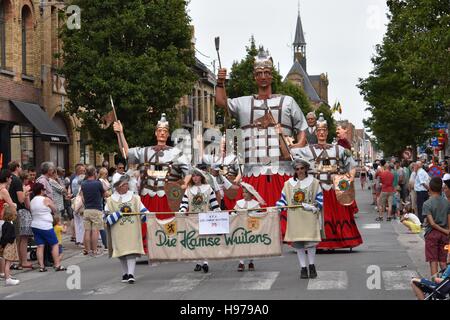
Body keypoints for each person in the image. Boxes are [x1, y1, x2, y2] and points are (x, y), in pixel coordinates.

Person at [215, 48, 308, 239]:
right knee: (252, 221)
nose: (263, 77)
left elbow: (302, 129)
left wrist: (298, 145)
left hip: (282, 170)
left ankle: (290, 235)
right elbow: (221, 102)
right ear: (254, 77)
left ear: (272, 76)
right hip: (253, 172)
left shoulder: (288, 102)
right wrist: (220, 82)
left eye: (266, 73)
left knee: (288, 216)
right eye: (259, 74)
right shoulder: (243, 103)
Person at [113, 113, 191, 255]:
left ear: (168, 135)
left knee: (169, 223)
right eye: (160, 131)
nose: (162, 133)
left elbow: (188, 170)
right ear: (155, 133)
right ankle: (148, 248)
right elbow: (125, 153)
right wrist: (120, 133)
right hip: (147, 195)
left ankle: (170, 247)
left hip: (167, 196)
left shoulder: (177, 153)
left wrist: (184, 184)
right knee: (148, 224)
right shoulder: (144, 151)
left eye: (165, 131)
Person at [292, 114, 362, 250]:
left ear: (327, 132)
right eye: (319, 130)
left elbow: (352, 166)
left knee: (336, 218)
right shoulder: (306, 150)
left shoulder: (339, 150)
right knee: (317, 217)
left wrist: (349, 177)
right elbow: (293, 157)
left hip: (334, 190)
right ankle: (315, 242)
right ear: (316, 132)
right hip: (316, 190)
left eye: (324, 130)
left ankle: (339, 241)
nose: (322, 133)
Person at [276, 158, 323, 279]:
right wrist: (277, 209)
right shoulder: (288, 184)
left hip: (309, 216)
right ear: (295, 170)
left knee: (311, 243)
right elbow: (282, 200)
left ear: (306, 169)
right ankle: (303, 267)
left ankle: (312, 266)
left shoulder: (314, 183)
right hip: (295, 218)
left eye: (302, 168)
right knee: (298, 244)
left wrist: (315, 205)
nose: (300, 171)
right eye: (297, 169)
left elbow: (320, 199)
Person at [104, 175, 148, 284]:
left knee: (131, 252)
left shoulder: (135, 198)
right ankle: (125, 273)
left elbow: (144, 211)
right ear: (118, 187)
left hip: (132, 230)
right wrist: (118, 214)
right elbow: (106, 219)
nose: (126, 186)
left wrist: (146, 216)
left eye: (127, 184)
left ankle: (131, 274)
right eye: (123, 185)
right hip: (118, 232)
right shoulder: (110, 201)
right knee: (122, 253)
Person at [179, 169, 221, 273]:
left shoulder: (208, 188)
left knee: (204, 240)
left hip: (205, 218)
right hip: (193, 218)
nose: (195, 178)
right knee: (195, 240)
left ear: (201, 177)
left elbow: (214, 203)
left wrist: (219, 213)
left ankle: (205, 262)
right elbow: (184, 203)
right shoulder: (189, 189)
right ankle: (198, 262)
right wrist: (182, 210)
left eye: (197, 176)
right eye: (193, 176)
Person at [29, 183, 66, 272]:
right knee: (54, 244)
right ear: (41, 190)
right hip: (45, 225)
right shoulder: (46, 199)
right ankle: (57, 264)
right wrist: (50, 205)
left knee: (40, 246)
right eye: (44, 190)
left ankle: (42, 266)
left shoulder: (32, 200)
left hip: (35, 225)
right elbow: (55, 209)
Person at [233, 182, 266, 271]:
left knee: (251, 245)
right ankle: (241, 263)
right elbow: (233, 213)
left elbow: (259, 216)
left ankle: (251, 262)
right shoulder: (239, 203)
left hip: (251, 227)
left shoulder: (256, 204)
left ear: (251, 194)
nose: (244, 194)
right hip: (240, 227)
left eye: (246, 192)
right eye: (243, 192)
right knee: (241, 244)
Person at [422, 177, 450, 277]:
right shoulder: (447, 203)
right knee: (443, 261)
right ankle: (446, 283)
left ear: (430, 188)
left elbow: (432, 223)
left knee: (433, 261)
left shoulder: (427, 204)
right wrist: (447, 231)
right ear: (441, 189)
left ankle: (435, 285)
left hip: (432, 234)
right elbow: (448, 220)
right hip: (444, 235)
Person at [7, 161, 32, 270]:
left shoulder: (9, 179)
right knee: (20, 237)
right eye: (20, 167)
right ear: (17, 168)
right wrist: (26, 192)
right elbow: (21, 199)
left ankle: (15, 261)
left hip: (8, 210)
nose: (21, 169)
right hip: (17, 210)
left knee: (15, 237)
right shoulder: (17, 180)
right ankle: (21, 261)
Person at [80, 166, 105, 256]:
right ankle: (94, 250)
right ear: (94, 173)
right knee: (95, 231)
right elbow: (103, 194)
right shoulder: (97, 183)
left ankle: (88, 249)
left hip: (87, 209)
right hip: (96, 208)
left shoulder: (83, 183)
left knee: (87, 230)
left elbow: (82, 197)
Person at [0, 205, 20, 286]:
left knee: (8, 262)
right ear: (11, 216)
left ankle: (8, 277)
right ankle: (8, 278)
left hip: (6, 245)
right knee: (8, 262)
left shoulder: (4, 224)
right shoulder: (10, 226)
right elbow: (7, 237)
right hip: (9, 245)